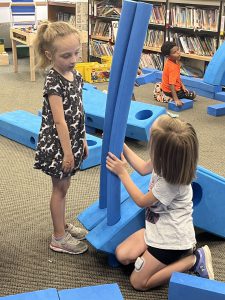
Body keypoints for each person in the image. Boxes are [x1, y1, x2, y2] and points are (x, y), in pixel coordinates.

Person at [106, 114, 214, 291]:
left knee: (138, 282)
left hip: (172, 242)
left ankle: (192, 260)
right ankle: (160, 259)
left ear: (162, 152)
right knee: (122, 255)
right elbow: (142, 168)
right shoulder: (168, 160)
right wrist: (121, 144)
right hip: (157, 230)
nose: (150, 146)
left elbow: (141, 201)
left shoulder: (170, 183)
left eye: (152, 143)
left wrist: (122, 173)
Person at [33, 21, 89, 255]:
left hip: (72, 140)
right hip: (57, 145)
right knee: (60, 189)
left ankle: (62, 225)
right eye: (66, 55)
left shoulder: (74, 75)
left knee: (64, 186)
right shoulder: (53, 80)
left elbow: (79, 110)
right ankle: (58, 238)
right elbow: (59, 121)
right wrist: (67, 152)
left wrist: (83, 139)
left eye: (76, 52)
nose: (73, 59)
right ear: (49, 55)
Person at [154, 41, 196, 107]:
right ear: (168, 56)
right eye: (174, 52)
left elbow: (177, 77)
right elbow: (171, 84)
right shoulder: (172, 67)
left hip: (167, 87)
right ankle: (167, 97)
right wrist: (176, 100)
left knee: (160, 84)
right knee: (193, 94)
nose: (178, 53)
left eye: (178, 50)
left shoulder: (175, 61)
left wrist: (183, 86)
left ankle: (163, 92)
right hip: (171, 90)